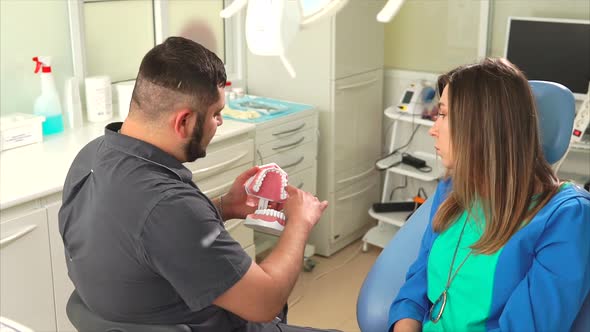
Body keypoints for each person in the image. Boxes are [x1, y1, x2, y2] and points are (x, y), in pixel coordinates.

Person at [58, 37, 337, 332]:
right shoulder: (168, 206)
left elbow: (145, 242)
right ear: (184, 122)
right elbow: (264, 301)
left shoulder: (91, 156)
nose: (219, 123)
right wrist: (300, 222)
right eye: (216, 114)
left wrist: (223, 207)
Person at [388, 58, 590, 332]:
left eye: (445, 115)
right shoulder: (454, 188)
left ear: (483, 126)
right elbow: (418, 280)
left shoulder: (566, 217)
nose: (433, 129)